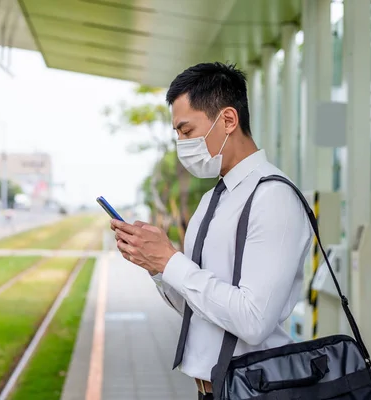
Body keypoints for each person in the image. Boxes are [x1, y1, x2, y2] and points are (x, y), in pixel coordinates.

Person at [111, 62, 313, 400]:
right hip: (211, 392)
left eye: (186, 131)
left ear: (229, 120)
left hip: (256, 390)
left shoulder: (273, 197)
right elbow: (200, 307)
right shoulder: (212, 200)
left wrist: (172, 261)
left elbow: (253, 321)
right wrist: (157, 267)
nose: (181, 143)